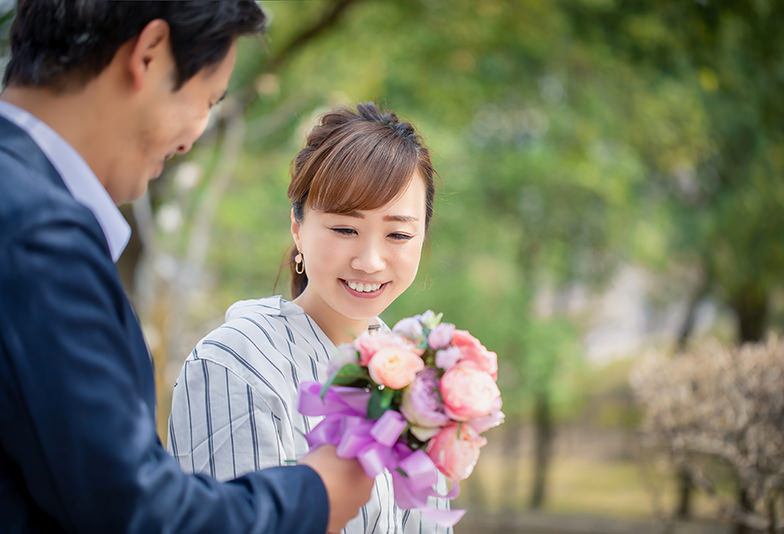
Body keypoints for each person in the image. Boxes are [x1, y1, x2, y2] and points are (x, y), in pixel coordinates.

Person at [0, 2, 373, 533]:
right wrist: (317, 492)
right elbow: (137, 512)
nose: (195, 134)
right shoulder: (37, 234)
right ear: (149, 55)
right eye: (207, 100)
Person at [168, 102, 453, 533]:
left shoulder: (417, 376)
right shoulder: (237, 363)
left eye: (398, 234)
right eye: (344, 229)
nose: (370, 261)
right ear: (298, 228)